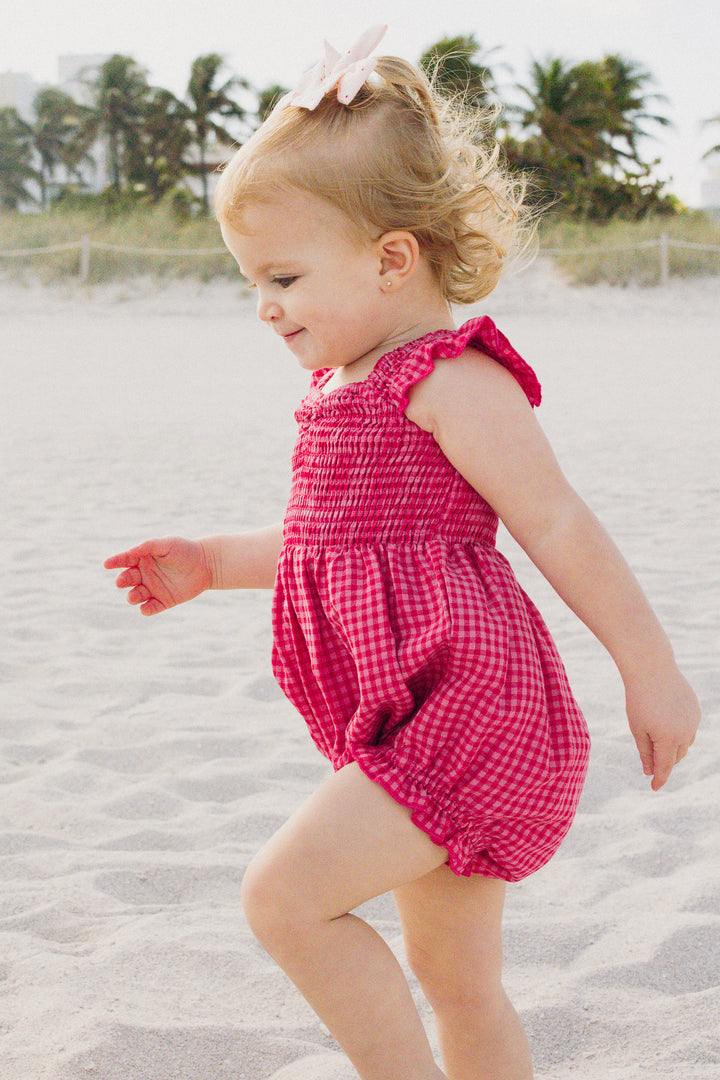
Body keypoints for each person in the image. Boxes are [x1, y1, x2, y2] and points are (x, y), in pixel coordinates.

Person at [104, 27, 700, 1080]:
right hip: (407, 710)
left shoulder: (450, 380)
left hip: (473, 711)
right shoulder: (342, 388)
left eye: (284, 275)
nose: (264, 304)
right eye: (254, 278)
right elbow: (332, 541)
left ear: (391, 259)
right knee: (458, 979)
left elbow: (556, 522)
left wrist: (649, 672)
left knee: (284, 897)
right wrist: (212, 560)